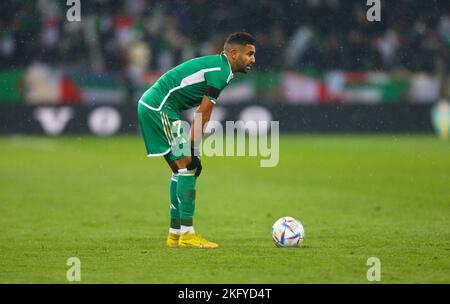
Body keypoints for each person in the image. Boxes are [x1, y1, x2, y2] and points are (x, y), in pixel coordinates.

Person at [137, 32, 256, 248]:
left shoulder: (220, 67)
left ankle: (175, 235)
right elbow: (204, 113)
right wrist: (194, 150)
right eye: (249, 54)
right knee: (187, 166)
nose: (253, 59)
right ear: (233, 53)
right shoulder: (220, 71)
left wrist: (193, 151)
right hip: (160, 108)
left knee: (181, 169)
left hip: (155, 105)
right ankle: (188, 234)